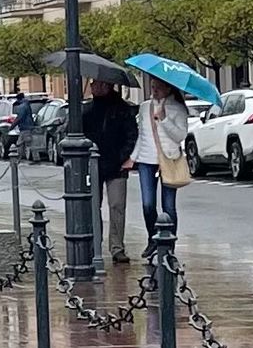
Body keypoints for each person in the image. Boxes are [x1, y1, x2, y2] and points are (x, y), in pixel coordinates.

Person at [79, 77, 138, 262]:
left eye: (95, 83)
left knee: (117, 205)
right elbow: (77, 133)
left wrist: (122, 157)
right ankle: (94, 244)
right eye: (91, 83)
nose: (92, 86)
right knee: (92, 205)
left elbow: (131, 135)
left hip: (116, 165)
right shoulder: (86, 110)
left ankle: (117, 247)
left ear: (106, 85)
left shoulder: (122, 109)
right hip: (93, 164)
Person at [131, 75, 192, 244]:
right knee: (148, 204)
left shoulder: (177, 108)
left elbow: (180, 136)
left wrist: (164, 119)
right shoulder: (145, 107)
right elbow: (141, 136)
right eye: (152, 87)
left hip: (169, 159)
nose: (155, 91)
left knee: (168, 206)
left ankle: (168, 243)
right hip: (146, 160)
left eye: (158, 87)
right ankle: (153, 239)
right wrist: (133, 157)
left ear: (168, 88)